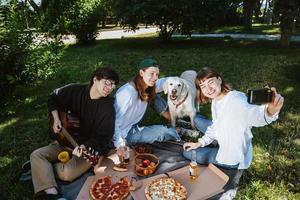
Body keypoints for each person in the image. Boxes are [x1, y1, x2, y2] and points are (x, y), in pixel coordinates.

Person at [30, 67, 119, 199]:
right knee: (36, 155)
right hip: (64, 140)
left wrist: (86, 146)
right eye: (107, 82)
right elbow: (53, 97)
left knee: (67, 173)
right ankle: (51, 194)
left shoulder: (107, 108)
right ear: (95, 79)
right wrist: (56, 118)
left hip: (86, 150)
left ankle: (42, 170)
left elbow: (104, 137)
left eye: (113, 85)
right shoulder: (75, 90)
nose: (110, 87)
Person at [183, 67, 284, 170]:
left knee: (187, 153)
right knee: (196, 119)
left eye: (211, 82)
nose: (208, 89)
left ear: (219, 80)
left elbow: (256, 116)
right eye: (203, 86)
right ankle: (196, 127)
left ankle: (212, 144)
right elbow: (216, 126)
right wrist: (200, 143)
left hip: (231, 159)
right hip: (224, 135)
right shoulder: (216, 100)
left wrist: (271, 111)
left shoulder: (236, 101)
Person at [113, 58, 183, 155]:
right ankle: (179, 131)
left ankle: (174, 119)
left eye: (157, 74)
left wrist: (181, 81)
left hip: (134, 123)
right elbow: (114, 122)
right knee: (162, 132)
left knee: (154, 95)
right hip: (125, 133)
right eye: (152, 73)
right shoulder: (127, 94)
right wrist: (120, 144)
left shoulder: (146, 84)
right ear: (141, 73)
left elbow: (164, 82)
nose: (155, 78)